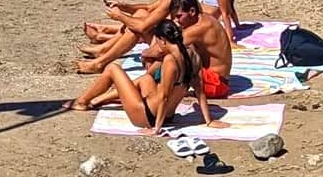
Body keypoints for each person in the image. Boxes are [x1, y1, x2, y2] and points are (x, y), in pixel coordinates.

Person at [68, 20, 225, 135]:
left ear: (163, 40)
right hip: (168, 116)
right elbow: (200, 92)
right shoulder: (192, 55)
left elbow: (164, 96)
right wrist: (209, 120)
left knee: (112, 68)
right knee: (146, 79)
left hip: (147, 116)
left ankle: (81, 102)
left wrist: (156, 129)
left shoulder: (171, 61)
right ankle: (101, 99)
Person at [77, 0, 187, 74]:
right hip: (168, 38)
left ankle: (100, 62)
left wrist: (120, 16)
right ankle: (103, 50)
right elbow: (149, 8)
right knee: (140, 14)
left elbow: (143, 27)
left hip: (174, 45)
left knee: (136, 28)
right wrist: (124, 7)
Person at [170, 0, 233, 97]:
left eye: (179, 16)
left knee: (173, 56)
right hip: (218, 81)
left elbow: (165, 48)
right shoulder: (204, 19)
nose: (176, 21)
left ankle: (165, 91)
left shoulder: (199, 28)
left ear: (192, 11)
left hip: (216, 84)